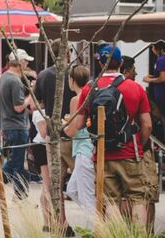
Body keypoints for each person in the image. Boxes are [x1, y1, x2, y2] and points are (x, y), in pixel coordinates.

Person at [67, 46, 153, 225]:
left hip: (102, 154)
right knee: (137, 197)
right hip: (131, 152)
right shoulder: (135, 88)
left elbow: (79, 124)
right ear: (121, 63)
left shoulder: (89, 89)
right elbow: (147, 125)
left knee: (110, 200)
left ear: (99, 63)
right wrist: (139, 143)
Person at [0, 49, 36, 201]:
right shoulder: (15, 81)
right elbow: (18, 107)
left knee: (16, 163)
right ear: (20, 62)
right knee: (16, 163)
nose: (27, 64)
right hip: (17, 126)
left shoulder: (4, 77)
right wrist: (30, 94)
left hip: (8, 125)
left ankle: (19, 194)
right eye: (26, 61)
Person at [64, 65, 97, 225]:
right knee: (72, 189)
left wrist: (62, 126)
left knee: (86, 195)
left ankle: (94, 231)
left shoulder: (76, 99)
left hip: (83, 149)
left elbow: (72, 130)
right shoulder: (92, 94)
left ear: (72, 81)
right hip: (90, 147)